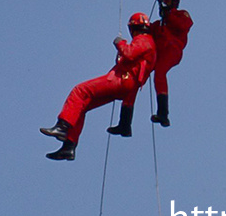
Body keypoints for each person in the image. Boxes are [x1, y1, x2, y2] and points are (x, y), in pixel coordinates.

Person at [40, 13, 156, 161]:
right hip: (127, 86)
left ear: (134, 28)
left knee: (79, 91)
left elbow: (129, 53)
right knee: (82, 105)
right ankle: (69, 146)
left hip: (120, 80)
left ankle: (62, 127)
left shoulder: (144, 40)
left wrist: (119, 43)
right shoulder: (149, 45)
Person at [147, 0, 192, 126]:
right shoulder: (158, 25)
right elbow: (146, 34)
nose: (164, 2)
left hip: (172, 49)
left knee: (160, 73)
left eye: (167, 0)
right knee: (142, 75)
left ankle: (163, 114)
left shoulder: (181, 15)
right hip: (159, 53)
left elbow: (182, 26)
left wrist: (169, 14)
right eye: (163, 0)